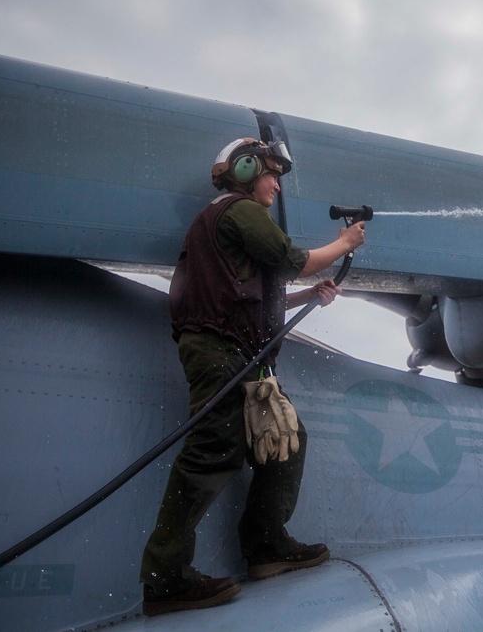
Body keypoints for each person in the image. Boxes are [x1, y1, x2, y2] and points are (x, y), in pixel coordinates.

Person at [139, 138, 366, 616]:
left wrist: (309, 297)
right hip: (222, 349)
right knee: (212, 448)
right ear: (243, 169)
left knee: (287, 439)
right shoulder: (239, 211)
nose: (277, 184)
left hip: (240, 351)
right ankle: (166, 579)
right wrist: (344, 244)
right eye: (270, 173)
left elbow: (256, 294)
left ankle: (267, 546)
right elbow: (294, 260)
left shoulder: (226, 222)